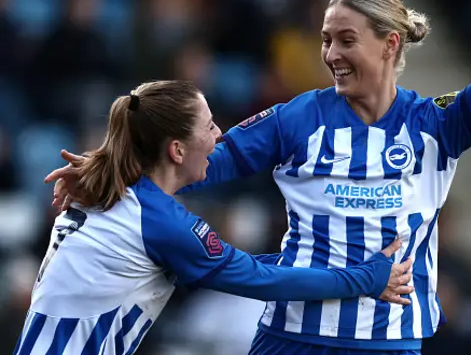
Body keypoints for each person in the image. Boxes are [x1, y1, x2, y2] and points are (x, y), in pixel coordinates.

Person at [47, 0, 471, 355]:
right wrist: (108, 173)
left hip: (386, 341)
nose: (330, 54)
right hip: (292, 336)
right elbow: (193, 164)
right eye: (325, 40)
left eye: (346, 39)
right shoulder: (299, 117)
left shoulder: (435, 126)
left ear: (389, 44)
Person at [14, 80, 415, 355]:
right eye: (208, 126)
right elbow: (260, 280)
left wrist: (347, 263)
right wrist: (364, 279)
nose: (219, 135)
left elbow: (251, 267)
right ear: (176, 150)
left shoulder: (114, 191)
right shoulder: (159, 222)